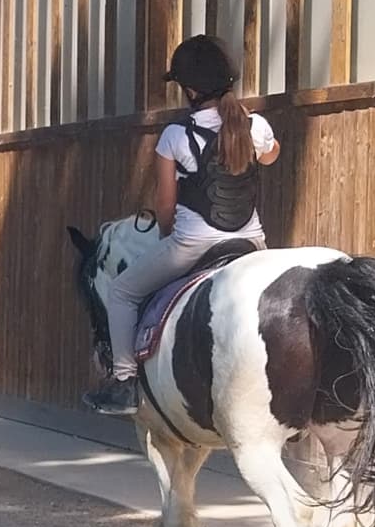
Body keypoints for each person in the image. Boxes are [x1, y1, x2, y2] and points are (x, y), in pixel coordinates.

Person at [84, 34, 282, 416]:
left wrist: (165, 236)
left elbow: (165, 205)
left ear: (190, 90)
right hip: (252, 243)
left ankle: (124, 382)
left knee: (122, 292)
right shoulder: (255, 127)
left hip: (193, 244)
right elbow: (272, 157)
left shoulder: (175, 136)